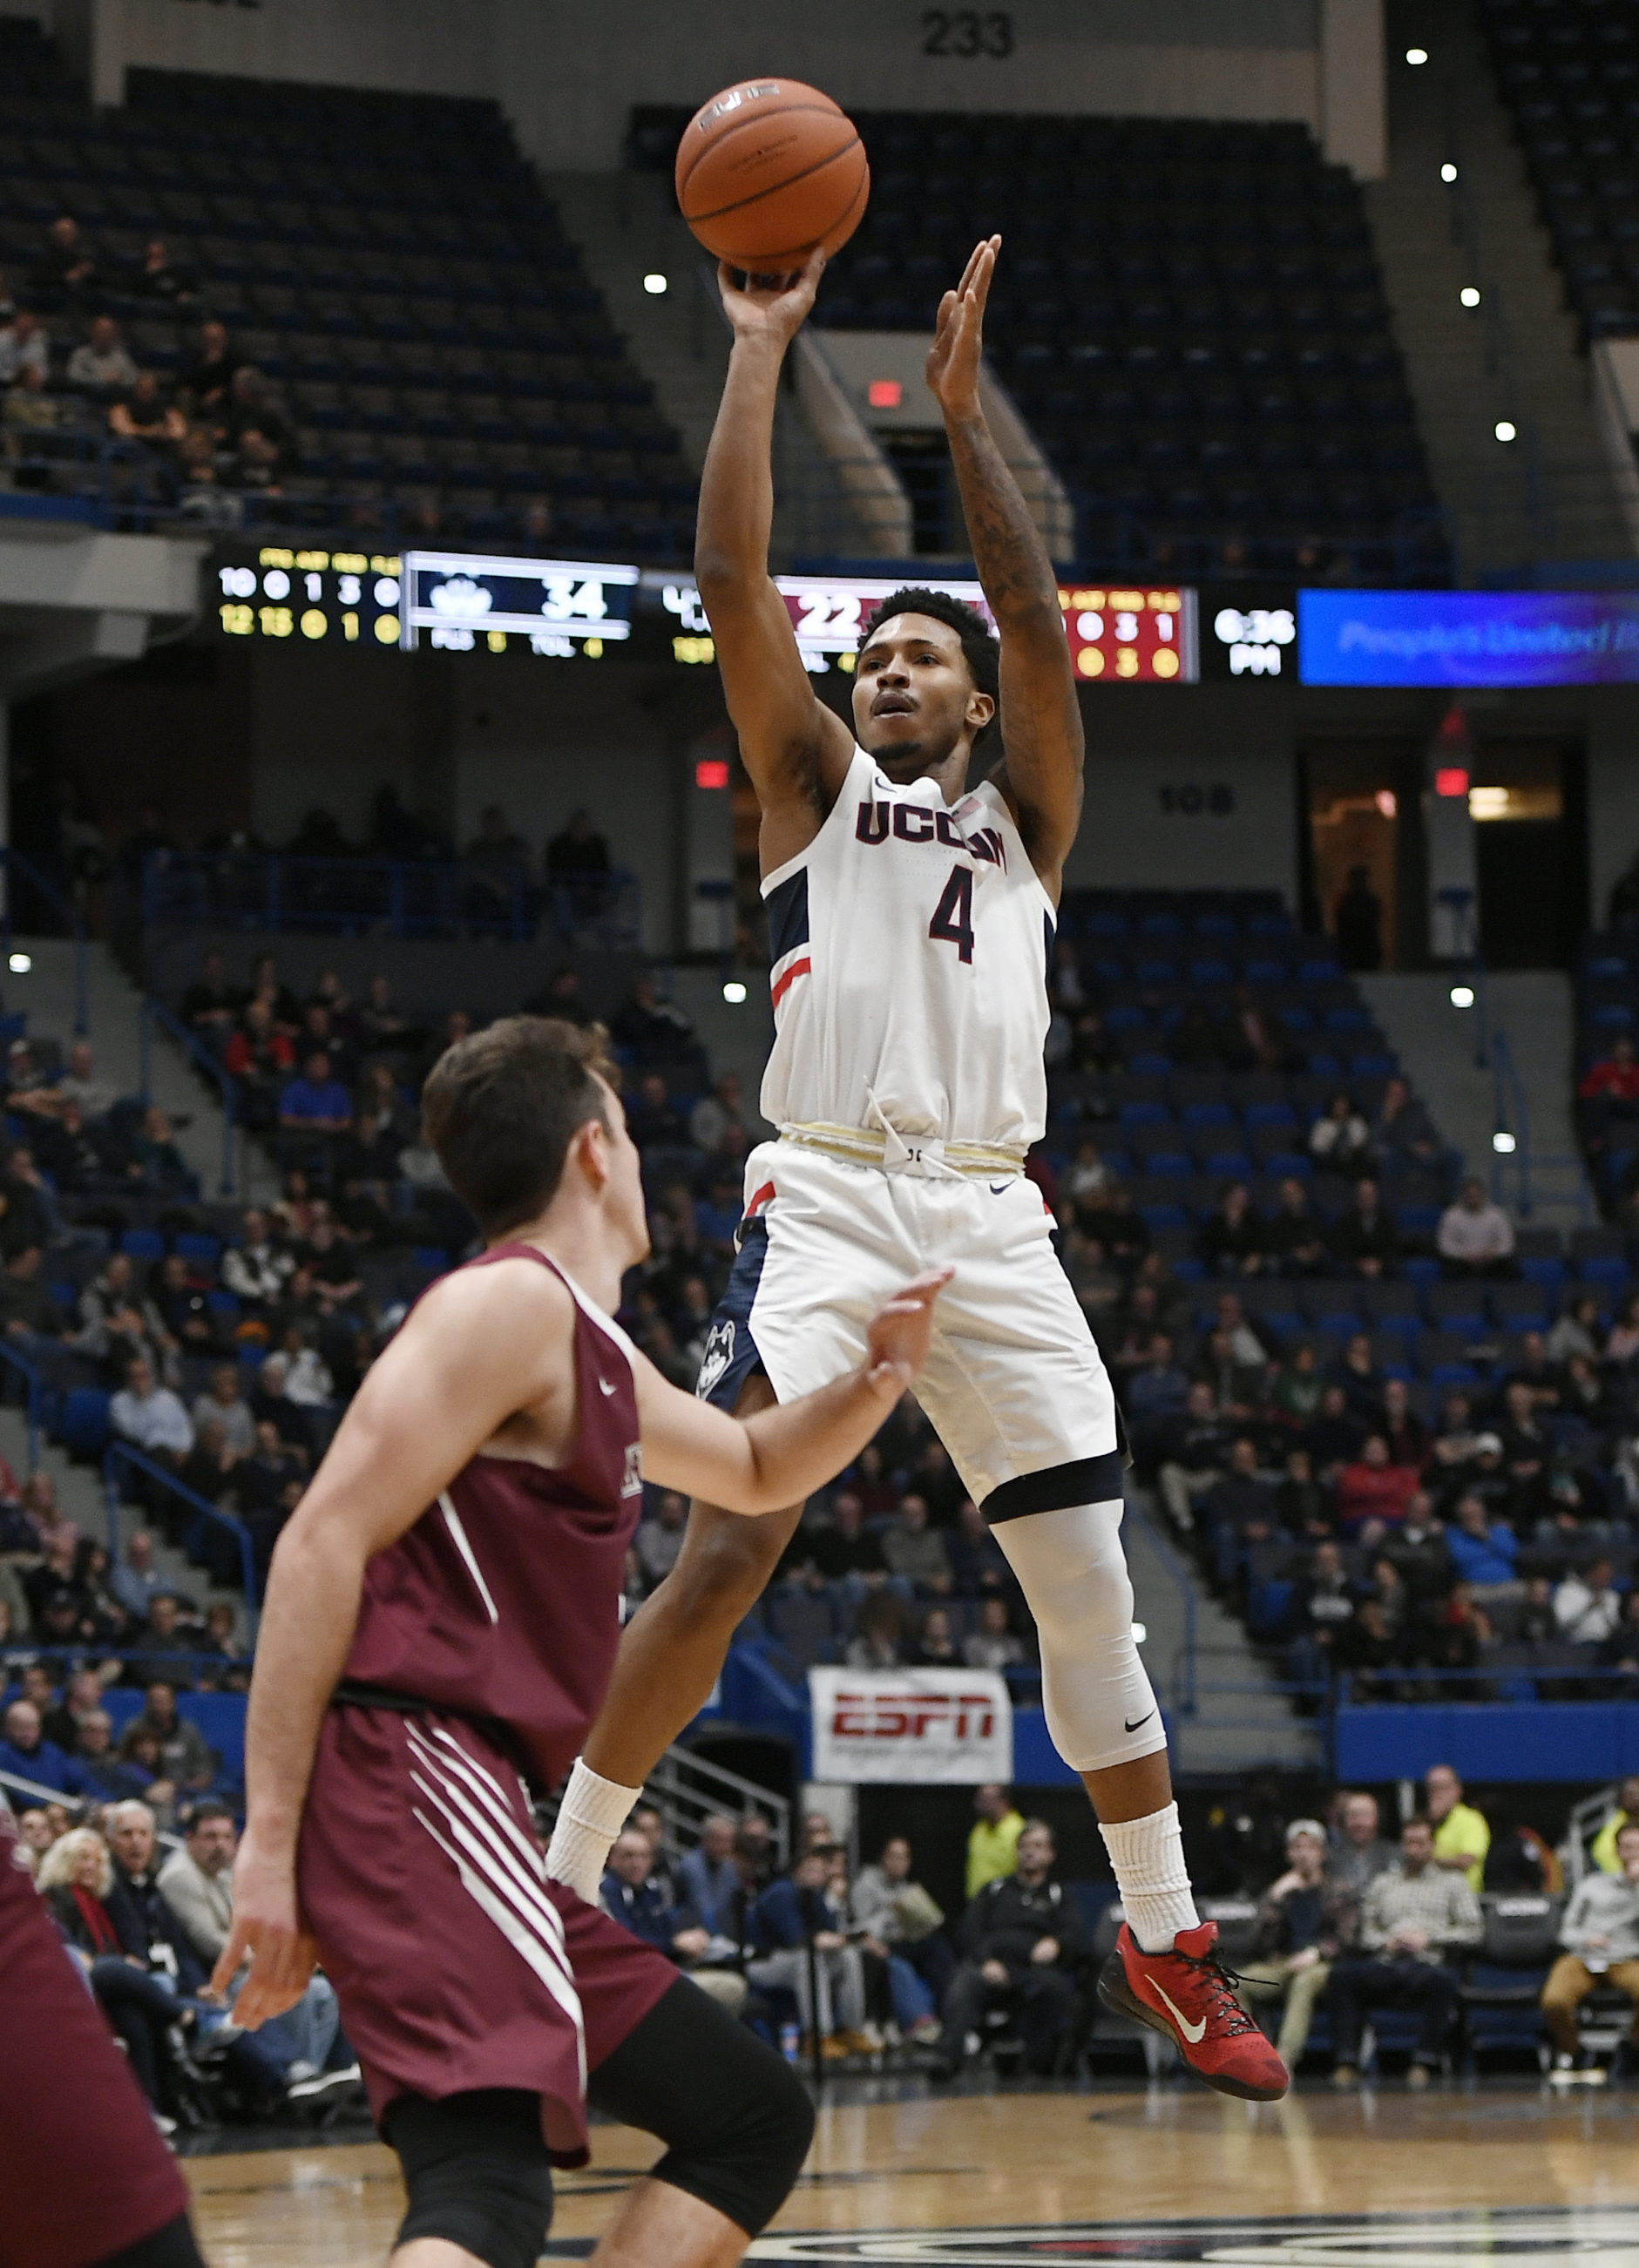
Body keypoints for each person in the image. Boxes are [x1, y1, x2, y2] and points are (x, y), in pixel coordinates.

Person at [536, 240, 1282, 2102]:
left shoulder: (1028, 813)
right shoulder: (803, 787)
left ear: (966, 699)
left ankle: (1164, 1934)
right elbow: (729, 579)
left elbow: (1036, 614)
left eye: (914, 655)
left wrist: (956, 423)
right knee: (729, 1544)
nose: (885, 669)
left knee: (1084, 1580)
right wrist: (758, 357)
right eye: (870, 654)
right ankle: (546, 1901)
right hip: (832, 1192)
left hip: (995, 1210)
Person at [214, 1016, 950, 2268]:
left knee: (747, 2117)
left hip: (469, 1796)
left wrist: (876, 1381)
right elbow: (315, 1546)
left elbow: (760, 1464)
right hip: (416, 1771)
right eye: (632, 1130)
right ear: (597, 1147)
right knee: (486, 2188)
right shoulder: (504, 1304)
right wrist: (266, 1848)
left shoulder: (587, 1348)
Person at [6, 1811, 213, 2265]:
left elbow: (136, 1945)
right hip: (66, 1983)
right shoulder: (56, 1897)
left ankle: (158, 2093)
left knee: (134, 2012)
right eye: (80, 1856)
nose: (89, 1865)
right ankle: (187, 2020)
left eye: (93, 1858)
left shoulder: (113, 1895)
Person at [1326, 1814, 1483, 2088]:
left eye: (1421, 1843)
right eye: (1409, 1842)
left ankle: (1424, 2061)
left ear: (1432, 1845)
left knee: (1444, 1981)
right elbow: (1366, 1930)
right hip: (1386, 1961)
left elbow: (1474, 1930)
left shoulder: (1453, 1883)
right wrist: (1386, 1941)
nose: (1414, 1849)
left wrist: (1430, 1937)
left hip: (1428, 1963)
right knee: (1341, 1976)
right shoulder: (1384, 1882)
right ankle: (1347, 2062)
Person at [929, 1819, 1087, 2079]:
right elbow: (969, 1930)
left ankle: (1037, 2065)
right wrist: (985, 1961)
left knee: (1055, 1988)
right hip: (993, 1967)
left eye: (1037, 1846)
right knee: (963, 1982)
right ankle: (947, 2060)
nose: (1029, 1852)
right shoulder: (995, 1890)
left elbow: (1075, 1933)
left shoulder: (1058, 1895)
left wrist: (1057, 1944)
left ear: (1050, 1854)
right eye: (1023, 1846)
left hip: (1034, 1971)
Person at [1233, 1818, 1358, 2074]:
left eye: (1310, 1847)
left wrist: (1317, 1953)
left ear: (1321, 1853)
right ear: (1289, 1854)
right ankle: (1244, 2056)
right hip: (1283, 1963)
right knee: (1236, 1982)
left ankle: (1284, 2059)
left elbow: (1348, 1937)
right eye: (1297, 1848)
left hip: (1322, 1965)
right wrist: (1275, 1899)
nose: (1303, 1854)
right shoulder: (1281, 1891)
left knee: (1304, 1982)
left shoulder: (1338, 1890)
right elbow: (1256, 1941)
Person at [599, 1829, 748, 2016]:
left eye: (643, 1856)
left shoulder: (651, 1890)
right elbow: (627, 1944)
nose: (637, 1863)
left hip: (663, 1969)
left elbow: (666, 1932)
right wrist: (675, 1943)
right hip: (634, 1978)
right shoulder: (607, 1892)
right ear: (611, 1858)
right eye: (629, 1856)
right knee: (733, 1988)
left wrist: (690, 1939)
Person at [747, 1842, 869, 2052]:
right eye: (810, 1869)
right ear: (797, 1869)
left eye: (820, 1871)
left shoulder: (815, 1895)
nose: (816, 1876)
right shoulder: (781, 1892)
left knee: (848, 1955)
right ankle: (817, 2037)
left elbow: (832, 1931)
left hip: (794, 1962)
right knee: (809, 1958)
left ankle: (851, 2030)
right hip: (763, 1962)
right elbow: (796, 1941)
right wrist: (832, 1939)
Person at [1541, 1819, 1639, 2079]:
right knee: (1554, 1999)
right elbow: (1566, 1930)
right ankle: (1574, 2051)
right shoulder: (1592, 1884)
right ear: (1618, 1852)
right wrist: (1585, 1939)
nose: (1633, 1854)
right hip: (1584, 1957)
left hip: (1628, 1959)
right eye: (1627, 1847)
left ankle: (1632, 2047)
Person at [1425, 1764, 1491, 1892]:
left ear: (1457, 1790)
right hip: (1429, 1896)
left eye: (1442, 1787)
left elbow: (1466, 1861)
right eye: (1432, 1788)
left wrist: (1428, 1861)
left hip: (1462, 1897)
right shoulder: (1425, 1822)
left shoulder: (1471, 1820)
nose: (1436, 1794)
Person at [1437, 1179, 1514, 1277]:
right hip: (1462, 1261)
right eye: (1469, 1196)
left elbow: (1507, 1243)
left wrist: (1492, 1253)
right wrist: (1463, 1255)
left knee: (1510, 1268)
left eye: (1476, 1196)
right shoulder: (1451, 1215)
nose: (1473, 1199)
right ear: (1463, 1196)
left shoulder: (1497, 1215)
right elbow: (1445, 1244)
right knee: (1450, 1270)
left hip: (1491, 1261)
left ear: (1483, 1196)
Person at [1329, 1790, 1399, 1897]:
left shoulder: (1394, 1854)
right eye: (1353, 1816)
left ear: (1377, 1819)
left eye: (1365, 1816)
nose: (1359, 1823)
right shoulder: (1330, 1858)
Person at [966, 1781, 1026, 1899]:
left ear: (1003, 1801)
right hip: (977, 1901)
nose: (981, 1804)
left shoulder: (1018, 1830)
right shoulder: (979, 1829)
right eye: (980, 1799)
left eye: (987, 1799)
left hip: (1005, 1901)